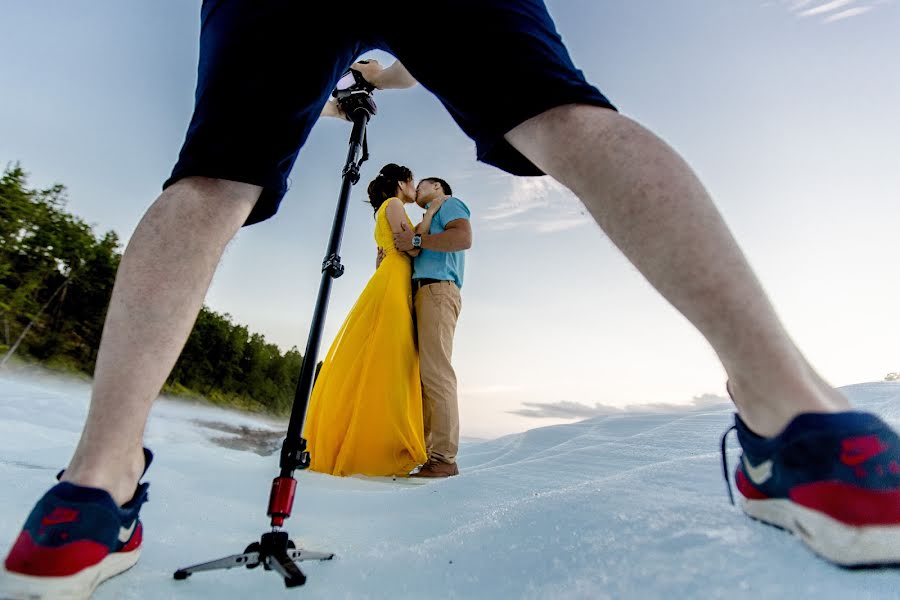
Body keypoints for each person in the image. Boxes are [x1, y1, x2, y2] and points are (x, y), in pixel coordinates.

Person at [3, 1, 898, 597]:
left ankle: (91, 491)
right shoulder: (413, 206)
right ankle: (809, 426)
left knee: (213, 177)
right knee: (563, 116)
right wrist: (386, 76)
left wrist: (343, 82)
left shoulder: (429, 209)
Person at [303, 164, 434, 477]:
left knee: (378, 355)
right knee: (393, 356)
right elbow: (411, 250)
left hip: (388, 275)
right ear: (402, 183)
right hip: (395, 278)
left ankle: (368, 437)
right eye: (412, 181)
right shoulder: (394, 205)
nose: (414, 187)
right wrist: (429, 220)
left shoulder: (382, 212)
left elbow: (384, 253)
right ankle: (380, 445)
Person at [393, 177, 472, 478]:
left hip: (438, 290)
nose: (419, 189)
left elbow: (463, 238)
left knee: (437, 373)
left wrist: (416, 241)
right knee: (424, 377)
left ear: (439, 187)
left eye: (424, 184)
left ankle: (444, 459)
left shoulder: (450, 204)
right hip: (421, 294)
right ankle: (427, 454)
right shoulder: (426, 219)